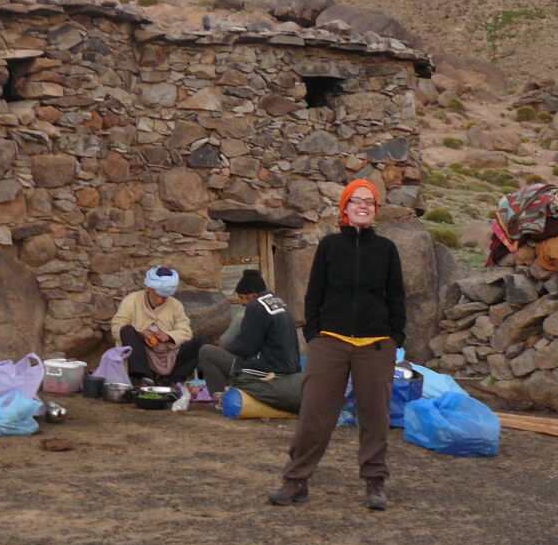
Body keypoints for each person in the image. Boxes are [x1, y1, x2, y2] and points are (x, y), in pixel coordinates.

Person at [269, 179, 406, 511]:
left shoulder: (386, 249)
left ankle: (375, 481)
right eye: (356, 201)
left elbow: (396, 297)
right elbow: (314, 293)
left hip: (375, 344)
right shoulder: (330, 246)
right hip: (330, 340)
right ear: (344, 208)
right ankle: (296, 481)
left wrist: (395, 338)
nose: (363, 206)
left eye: (369, 202)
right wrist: (315, 333)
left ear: (375, 210)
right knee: (315, 412)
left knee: (374, 415)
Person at [197, 269, 302, 403]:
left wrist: (224, 351)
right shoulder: (279, 302)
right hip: (289, 366)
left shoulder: (256, 306)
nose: (243, 303)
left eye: (242, 298)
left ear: (252, 295)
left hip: (270, 367)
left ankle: (221, 399)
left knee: (207, 352)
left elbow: (247, 347)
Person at [109, 266, 202, 383]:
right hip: (141, 353)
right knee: (126, 330)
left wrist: (168, 336)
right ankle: (143, 377)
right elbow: (116, 328)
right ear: (149, 289)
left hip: (168, 353)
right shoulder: (132, 300)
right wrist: (141, 334)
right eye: (157, 295)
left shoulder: (175, 305)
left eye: (164, 297)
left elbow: (186, 332)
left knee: (200, 343)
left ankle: (172, 380)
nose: (160, 301)